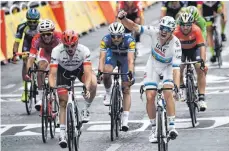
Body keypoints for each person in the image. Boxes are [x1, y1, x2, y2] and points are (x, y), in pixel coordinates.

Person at [118, 10, 182, 143]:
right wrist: (123, 19)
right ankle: (154, 128)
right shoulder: (154, 32)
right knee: (150, 96)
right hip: (153, 65)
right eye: (162, 28)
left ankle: (171, 126)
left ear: (172, 31)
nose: (163, 32)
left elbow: (176, 69)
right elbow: (134, 27)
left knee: (168, 93)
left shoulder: (176, 44)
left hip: (168, 68)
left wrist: (176, 87)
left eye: (167, 29)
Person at [49, 30, 97, 148]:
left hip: (79, 70)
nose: (70, 48)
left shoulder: (84, 50)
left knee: (93, 83)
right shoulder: (56, 51)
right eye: (67, 46)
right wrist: (51, 87)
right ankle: (62, 134)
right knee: (63, 101)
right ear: (62, 44)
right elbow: (52, 74)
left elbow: (88, 72)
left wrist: (86, 87)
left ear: (77, 43)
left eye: (72, 45)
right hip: (63, 72)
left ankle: (86, 108)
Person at [97, 22, 135, 132]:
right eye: (113, 36)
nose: (116, 38)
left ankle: (125, 119)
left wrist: (131, 72)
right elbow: (102, 58)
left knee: (126, 88)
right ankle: (108, 93)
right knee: (107, 71)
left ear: (123, 34)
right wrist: (100, 72)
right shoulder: (105, 40)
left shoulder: (130, 40)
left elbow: (130, 60)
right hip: (112, 56)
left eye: (118, 36)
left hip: (125, 59)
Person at [173, 12, 208, 111]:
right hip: (181, 51)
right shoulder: (175, 31)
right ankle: (182, 87)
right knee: (178, 68)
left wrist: (202, 61)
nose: (185, 28)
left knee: (199, 68)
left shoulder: (196, 30)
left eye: (188, 25)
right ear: (179, 25)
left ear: (192, 24)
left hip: (194, 49)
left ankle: (201, 98)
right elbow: (171, 47)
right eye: (183, 25)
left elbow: (202, 47)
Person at [26, 19, 62, 111]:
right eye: (43, 34)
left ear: (53, 32)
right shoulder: (36, 39)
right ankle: (40, 97)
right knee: (40, 69)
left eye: (48, 34)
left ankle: (57, 92)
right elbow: (31, 57)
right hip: (45, 54)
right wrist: (28, 71)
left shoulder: (59, 36)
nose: (46, 36)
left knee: (57, 71)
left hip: (57, 55)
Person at [12, 8, 40, 102]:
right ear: (27, 20)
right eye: (30, 22)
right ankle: (25, 90)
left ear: (38, 20)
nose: (32, 24)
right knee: (25, 62)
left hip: (39, 44)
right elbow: (17, 42)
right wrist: (14, 54)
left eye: (34, 22)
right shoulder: (22, 26)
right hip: (27, 44)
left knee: (41, 62)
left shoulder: (41, 26)